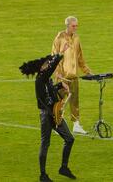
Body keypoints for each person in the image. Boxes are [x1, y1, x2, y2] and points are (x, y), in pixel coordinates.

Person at [19, 48, 77, 182]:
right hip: (47, 115)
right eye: (46, 64)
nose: (48, 65)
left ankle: (63, 168)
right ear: (42, 68)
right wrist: (60, 54)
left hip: (55, 112)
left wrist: (60, 86)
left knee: (69, 139)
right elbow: (52, 66)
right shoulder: (40, 79)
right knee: (45, 143)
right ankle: (43, 175)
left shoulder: (46, 80)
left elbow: (50, 91)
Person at [51, 16, 92, 135]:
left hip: (74, 75)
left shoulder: (77, 38)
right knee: (59, 101)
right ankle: (56, 125)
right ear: (67, 25)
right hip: (62, 75)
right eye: (73, 26)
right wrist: (58, 74)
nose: (76, 28)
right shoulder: (60, 37)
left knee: (74, 100)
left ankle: (76, 125)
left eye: (76, 25)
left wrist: (86, 70)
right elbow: (54, 56)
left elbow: (80, 57)